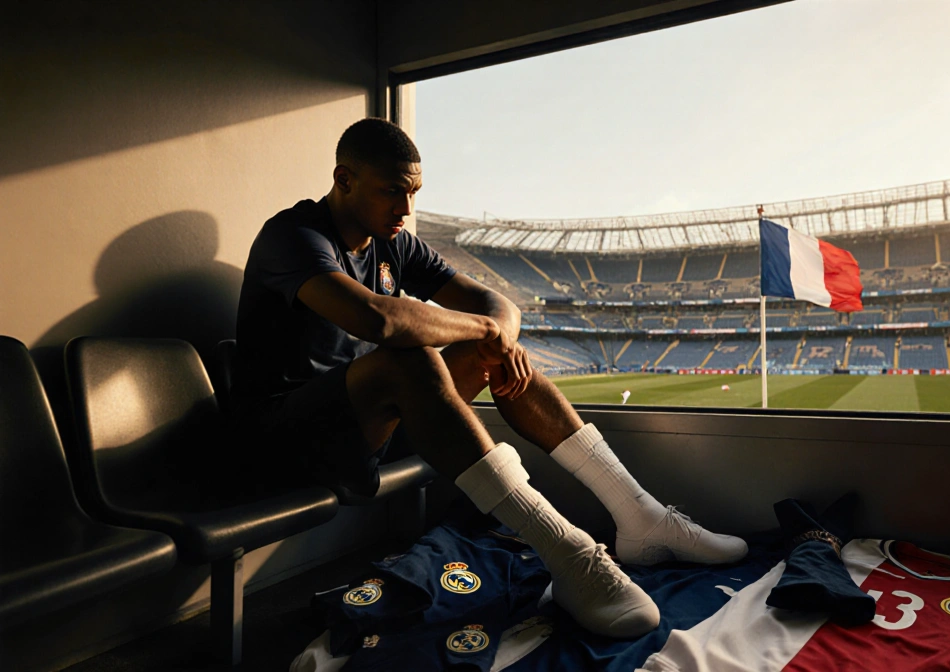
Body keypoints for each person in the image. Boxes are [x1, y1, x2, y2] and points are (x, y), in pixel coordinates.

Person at [233, 118, 746, 639]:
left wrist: (495, 335)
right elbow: (378, 320)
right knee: (410, 358)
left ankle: (639, 516)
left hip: (366, 431)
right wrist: (486, 328)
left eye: (413, 193)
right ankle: (567, 553)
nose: (405, 208)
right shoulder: (293, 236)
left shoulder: (394, 243)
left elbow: (497, 304)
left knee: (490, 355)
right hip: (286, 444)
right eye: (392, 191)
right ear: (344, 180)